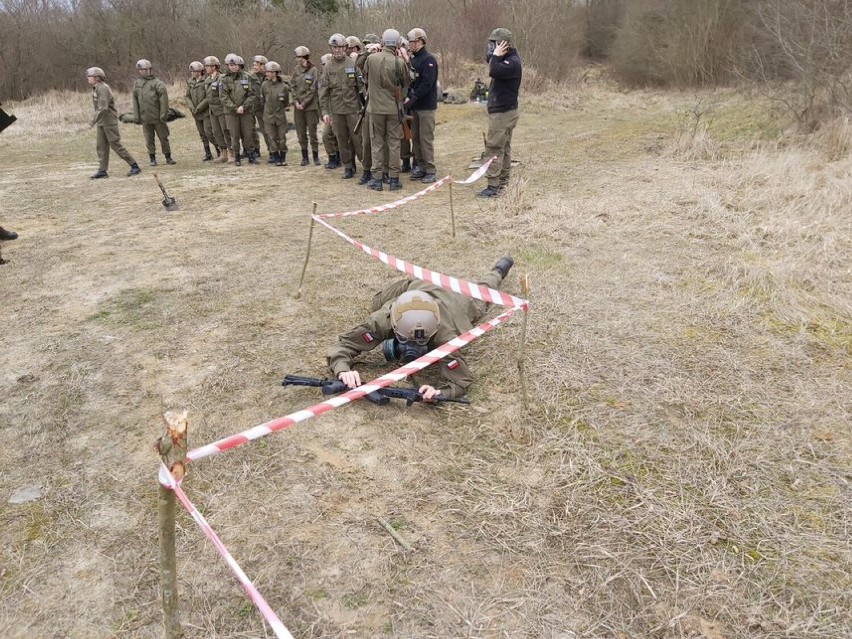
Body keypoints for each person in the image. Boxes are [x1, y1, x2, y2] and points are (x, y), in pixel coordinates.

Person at [328, 257, 514, 400]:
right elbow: (344, 344)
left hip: (458, 299)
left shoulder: (446, 336)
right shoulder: (385, 317)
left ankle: (499, 269)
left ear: (434, 331)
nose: (412, 346)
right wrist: (343, 369)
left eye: (421, 341)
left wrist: (440, 392)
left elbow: (462, 381)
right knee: (376, 302)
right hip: (419, 285)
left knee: (484, 291)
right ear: (393, 325)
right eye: (405, 339)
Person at [362, 29, 410, 192]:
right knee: (394, 144)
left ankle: (377, 180)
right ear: (397, 43)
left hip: (375, 109)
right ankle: (394, 180)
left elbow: (362, 73)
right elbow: (407, 82)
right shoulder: (399, 62)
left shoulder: (371, 59)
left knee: (377, 143)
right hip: (393, 110)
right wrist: (405, 60)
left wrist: (368, 51)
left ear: (382, 42)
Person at [479, 28, 522, 198]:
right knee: (504, 147)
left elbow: (494, 70)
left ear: (504, 44)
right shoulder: (505, 59)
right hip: (505, 111)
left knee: (494, 147)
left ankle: (493, 185)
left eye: (495, 43)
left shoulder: (512, 62)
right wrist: (493, 54)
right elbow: (491, 61)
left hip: (503, 114)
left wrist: (496, 56)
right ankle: (503, 182)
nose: (493, 47)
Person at [319, 33, 364, 179]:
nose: (337, 50)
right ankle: (348, 167)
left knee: (358, 140)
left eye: (340, 47)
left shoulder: (352, 64)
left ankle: (367, 167)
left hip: (353, 110)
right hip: (337, 111)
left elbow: (361, 87)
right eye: (334, 47)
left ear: (345, 48)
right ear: (331, 48)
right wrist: (325, 112)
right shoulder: (327, 67)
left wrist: (364, 107)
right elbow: (323, 92)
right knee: (342, 141)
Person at [86, 66, 141, 179]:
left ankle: (134, 165)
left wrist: (92, 121)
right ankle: (102, 170)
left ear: (97, 78)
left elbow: (103, 108)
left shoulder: (103, 88)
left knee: (116, 145)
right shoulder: (96, 88)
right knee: (101, 146)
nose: (88, 78)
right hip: (102, 121)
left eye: (90, 76)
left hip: (109, 122)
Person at [404, 28, 438, 183]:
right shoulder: (414, 59)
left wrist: (413, 97)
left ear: (420, 41)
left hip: (426, 107)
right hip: (416, 106)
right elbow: (412, 81)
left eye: (411, 42)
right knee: (416, 138)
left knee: (425, 139)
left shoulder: (428, 60)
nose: (409, 45)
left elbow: (427, 84)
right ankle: (421, 166)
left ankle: (430, 170)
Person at [132, 59, 175, 166]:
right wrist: (137, 116)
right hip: (145, 117)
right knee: (148, 139)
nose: (141, 72)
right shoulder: (137, 83)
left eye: (143, 70)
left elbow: (163, 100)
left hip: (157, 117)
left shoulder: (157, 83)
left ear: (149, 70)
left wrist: (163, 114)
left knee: (163, 138)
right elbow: (135, 100)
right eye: (140, 70)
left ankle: (168, 157)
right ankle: (152, 158)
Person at [220, 53, 258, 167]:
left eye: (235, 65)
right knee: (234, 135)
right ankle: (237, 157)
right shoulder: (224, 79)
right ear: (227, 66)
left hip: (246, 111)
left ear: (239, 65)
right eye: (230, 65)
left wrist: (243, 106)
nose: (233, 67)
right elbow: (223, 97)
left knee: (248, 134)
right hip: (231, 113)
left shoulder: (246, 77)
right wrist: (235, 108)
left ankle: (251, 155)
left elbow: (252, 94)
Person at [291, 46, 321, 166]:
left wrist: (304, 103)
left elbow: (313, 89)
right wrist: (296, 102)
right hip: (298, 107)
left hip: (310, 107)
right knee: (301, 132)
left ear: (304, 57)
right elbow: (292, 86)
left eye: (298, 57)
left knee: (312, 133)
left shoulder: (313, 70)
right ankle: (304, 157)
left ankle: (315, 156)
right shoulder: (296, 70)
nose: (297, 59)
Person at [204, 56, 232, 164]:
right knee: (216, 132)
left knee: (226, 131)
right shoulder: (207, 80)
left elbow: (223, 94)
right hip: (212, 110)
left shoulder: (221, 78)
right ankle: (223, 153)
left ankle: (231, 153)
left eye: (208, 66)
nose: (206, 68)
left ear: (214, 67)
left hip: (221, 109)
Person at [261, 61, 290, 166]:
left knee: (282, 138)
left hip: (280, 116)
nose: (267, 74)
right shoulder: (264, 85)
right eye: (267, 72)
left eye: (269, 72)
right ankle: (276, 157)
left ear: (275, 73)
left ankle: (283, 157)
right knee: (272, 138)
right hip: (268, 116)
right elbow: (263, 100)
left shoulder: (284, 87)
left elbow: (286, 102)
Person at [185, 61, 213, 161]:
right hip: (195, 113)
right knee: (202, 133)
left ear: (200, 71)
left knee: (208, 132)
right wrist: (192, 107)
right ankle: (208, 153)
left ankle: (220, 150)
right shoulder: (190, 82)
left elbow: (208, 97)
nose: (193, 73)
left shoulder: (206, 81)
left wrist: (199, 107)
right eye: (191, 71)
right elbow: (187, 96)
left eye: (195, 71)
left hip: (205, 112)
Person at [319, 53, 340, 168]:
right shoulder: (322, 79)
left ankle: (341, 158)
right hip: (329, 111)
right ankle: (332, 158)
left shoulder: (337, 76)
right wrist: (325, 113)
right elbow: (322, 97)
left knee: (340, 137)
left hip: (339, 110)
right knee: (326, 135)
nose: (324, 67)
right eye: (323, 65)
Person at [250, 55, 271, 162]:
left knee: (266, 131)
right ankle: (255, 149)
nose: (254, 67)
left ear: (263, 66)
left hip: (266, 108)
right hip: (254, 107)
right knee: (251, 130)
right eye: (254, 64)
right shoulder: (251, 77)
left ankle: (272, 151)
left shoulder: (270, 76)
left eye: (256, 65)